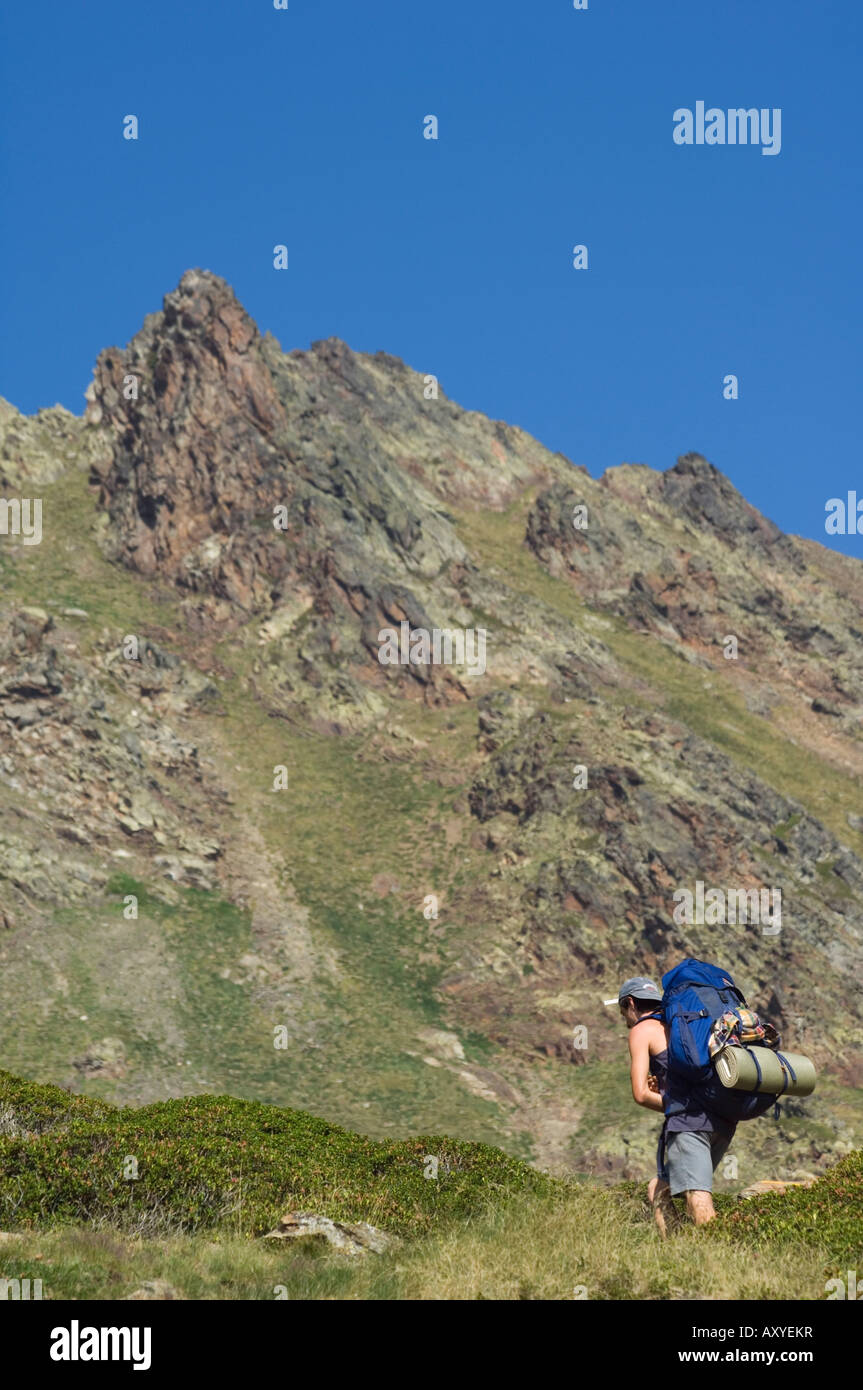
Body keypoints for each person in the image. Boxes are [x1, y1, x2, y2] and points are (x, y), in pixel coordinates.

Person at [614, 975, 736, 1231]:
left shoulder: (642, 1030)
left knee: (697, 1196)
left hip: (690, 1122)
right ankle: (680, 1254)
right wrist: (671, 1094)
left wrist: (668, 1101)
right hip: (723, 1119)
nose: (624, 1019)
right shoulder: (686, 1024)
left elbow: (640, 1094)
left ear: (631, 1003)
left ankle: (720, 1257)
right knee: (658, 1188)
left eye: (622, 1010)